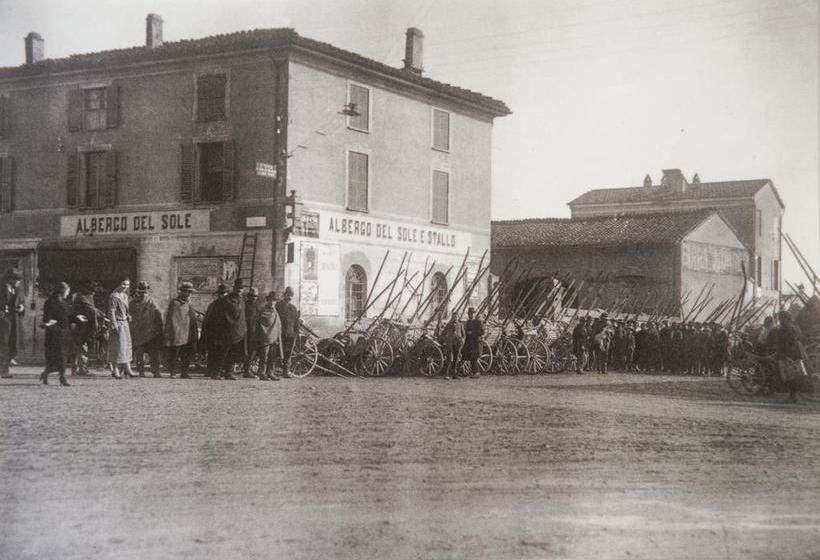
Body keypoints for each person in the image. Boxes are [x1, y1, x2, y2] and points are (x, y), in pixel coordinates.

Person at [208, 281, 246, 380]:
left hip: (238, 332)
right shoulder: (226, 300)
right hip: (227, 332)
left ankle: (228, 372)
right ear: (234, 288)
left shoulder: (241, 301)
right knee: (222, 353)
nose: (239, 290)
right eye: (238, 288)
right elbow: (223, 315)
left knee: (233, 353)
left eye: (241, 289)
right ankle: (216, 373)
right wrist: (230, 323)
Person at [129, 281, 164, 377]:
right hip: (138, 332)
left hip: (151, 332)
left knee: (154, 353)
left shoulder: (152, 302)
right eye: (140, 292)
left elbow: (158, 314)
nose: (143, 294)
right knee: (139, 354)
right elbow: (129, 316)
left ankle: (156, 371)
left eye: (144, 292)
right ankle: (141, 371)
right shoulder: (132, 303)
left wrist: (159, 328)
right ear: (137, 292)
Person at [164, 282, 198, 379]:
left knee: (187, 353)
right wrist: (174, 332)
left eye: (191, 292)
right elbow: (172, 319)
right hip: (178, 332)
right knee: (175, 353)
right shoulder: (175, 303)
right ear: (183, 292)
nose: (190, 294)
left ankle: (184, 372)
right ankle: (173, 372)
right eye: (188, 292)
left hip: (189, 332)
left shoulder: (189, 303)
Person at [41, 282, 72, 386]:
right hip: (54, 333)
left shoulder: (63, 302)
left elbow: (68, 315)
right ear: (62, 291)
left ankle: (46, 374)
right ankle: (62, 377)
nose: (68, 293)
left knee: (62, 356)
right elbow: (46, 317)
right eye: (67, 291)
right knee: (57, 356)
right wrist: (50, 322)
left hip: (63, 333)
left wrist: (76, 318)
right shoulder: (50, 302)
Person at [772, 311, 805, 404]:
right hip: (794, 354)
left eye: (781, 318)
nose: (780, 320)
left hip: (787, 355)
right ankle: (793, 395)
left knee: (789, 376)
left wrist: (785, 355)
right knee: (793, 375)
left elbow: (787, 343)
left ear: (785, 318)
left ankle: (792, 396)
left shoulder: (786, 329)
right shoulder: (795, 327)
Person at [68, 282, 100, 376]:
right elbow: (92, 310)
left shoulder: (81, 297)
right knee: (82, 347)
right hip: (81, 326)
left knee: (78, 347)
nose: (94, 293)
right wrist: (101, 317)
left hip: (80, 325)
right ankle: (82, 369)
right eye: (93, 291)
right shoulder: (83, 298)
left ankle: (75, 368)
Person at [107, 278, 135, 379]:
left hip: (125, 323)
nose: (125, 287)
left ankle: (127, 368)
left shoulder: (125, 296)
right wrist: (114, 323)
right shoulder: (114, 296)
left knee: (126, 346)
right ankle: (116, 370)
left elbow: (126, 310)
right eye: (124, 284)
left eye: (127, 285)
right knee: (118, 347)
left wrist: (128, 315)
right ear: (118, 284)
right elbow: (112, 311)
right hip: (118, 323)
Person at [0, 268, 24, 379]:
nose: (19, 282)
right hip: (3, 320)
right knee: (3, 345)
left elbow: (21, 302)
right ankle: (3, 370)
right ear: (10, 279)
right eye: (17, 280)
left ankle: (5, 367)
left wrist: (21, 307)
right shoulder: (1, 287)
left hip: (14, 320)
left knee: (12, 345)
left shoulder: (17, 289)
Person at [256, 291, 282, 381]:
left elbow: (278, 324)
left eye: (274, 301)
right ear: (268, 300)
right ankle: (261, 373)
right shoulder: (264, 310)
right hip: (265, 337)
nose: (272, 302)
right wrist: (265, 334)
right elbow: (262, 323)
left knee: (272, 357)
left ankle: (270, 372)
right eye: (271, 300)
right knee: (264, 356)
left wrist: (277, 336)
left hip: (274, 337)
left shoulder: (275, 311)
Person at [275, 286, 300, 379]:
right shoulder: (278, 306)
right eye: (288, 295)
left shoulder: (293, 308)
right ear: (284, 295)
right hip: (279, 333)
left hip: (290, 334)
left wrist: (295, 334)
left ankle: (286, 371)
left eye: (291, 296)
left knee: (288, 353)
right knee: (276, 352)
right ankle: (272, 370)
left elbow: (296, 323)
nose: (289, 297)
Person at [243, 287, 261, 378]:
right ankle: (246, 370)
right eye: (252, 296)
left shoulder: (257, 306)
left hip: (255, 331)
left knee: (252, 351)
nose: (254, 298)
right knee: (247, 351)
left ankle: (248, 369)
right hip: (247, 331)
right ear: (248, 296)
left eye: (255, 296)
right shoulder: (245, 305)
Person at [462, 307, 484, 378]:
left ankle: (477, 373)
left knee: (474, 358)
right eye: (469, 314)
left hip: (475, 342)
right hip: (469, 342)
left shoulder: (477, 322)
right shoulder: (468, 322)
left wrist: (472, 333)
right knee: (470, 357)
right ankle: (474, 372)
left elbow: (482, 332)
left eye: (471, 313)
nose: (470, 315)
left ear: (474, 314)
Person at [441, 314, 465, 380]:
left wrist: (462, 341)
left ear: (458, 317)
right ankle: (446, 374)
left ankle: (454, 375)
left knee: (456, 359)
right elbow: (443, 334)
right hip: (450, 343)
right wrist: (446, 340)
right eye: (454, 317)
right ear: (452, 317)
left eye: (456, 317)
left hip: (457, 344)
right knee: (449, 359)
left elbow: (463, 335)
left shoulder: (460, 324)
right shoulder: (449, 325)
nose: (455, 318)